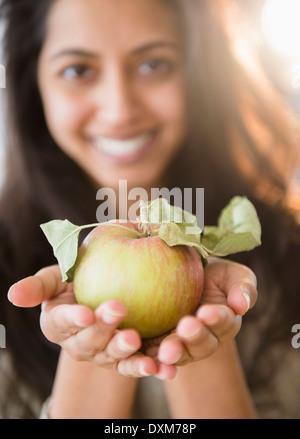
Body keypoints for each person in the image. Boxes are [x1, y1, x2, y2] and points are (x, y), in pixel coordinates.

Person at [0, 0, 299, 419]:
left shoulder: (289, 257)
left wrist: (203, 335)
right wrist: (91, 354)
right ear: (34, 84)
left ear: (199, 74)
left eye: (153, 65)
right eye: (78, 70)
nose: (120, 109)